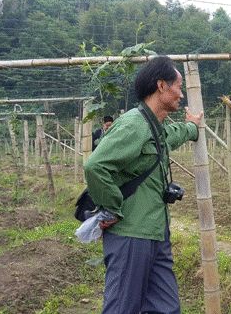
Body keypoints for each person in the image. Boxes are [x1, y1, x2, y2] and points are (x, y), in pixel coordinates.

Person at [84, 56, 203, 314]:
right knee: (123, 307)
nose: (181, 94)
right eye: (178, 87)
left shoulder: (154, 125)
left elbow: (171, 137)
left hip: (156, 232)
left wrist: (192, 128)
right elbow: (95, 166)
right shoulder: (133, 124)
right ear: (162, 86)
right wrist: (112, 207)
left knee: (167, 307)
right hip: (131, 233)